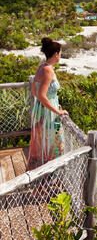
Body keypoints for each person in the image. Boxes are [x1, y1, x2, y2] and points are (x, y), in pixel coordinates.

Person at [27, 37, 69, 171]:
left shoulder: (42, 67)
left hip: (42, 109)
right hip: (48, 113)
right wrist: (57, 111)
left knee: (43, 142)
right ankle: (51, 176)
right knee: (54, 142)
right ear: (56, 54)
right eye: (60, 53)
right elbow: (41, 95)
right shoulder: (48, 70)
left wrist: (54, 103)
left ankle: (44, 173)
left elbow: (34, 90)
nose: (60, 55)